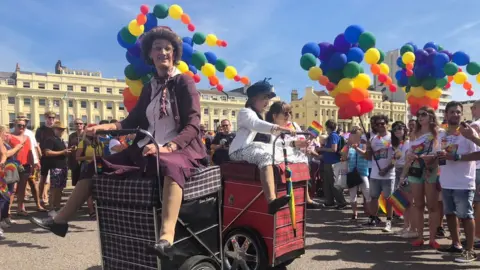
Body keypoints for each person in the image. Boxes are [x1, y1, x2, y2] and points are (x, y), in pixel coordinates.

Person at [31, 26, 207, 259]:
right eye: (157, 48)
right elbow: (132, 121)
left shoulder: (184, 81)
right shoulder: (149, 87)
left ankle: (166, 238)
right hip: (148, 146)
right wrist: (104, 127)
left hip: (180, 147)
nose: (163, 52)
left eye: (168, 48)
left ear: (174, 53)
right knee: (93, 166)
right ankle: (61, 221)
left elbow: (193, 123)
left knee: (169, 165)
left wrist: (169, 147)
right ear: (150, 55)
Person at [229, 79, 298, 215]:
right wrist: (279, 128)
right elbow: (255, 124)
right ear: (254, 98)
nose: (267, 102)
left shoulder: (261, 117)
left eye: (268, 98)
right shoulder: (246, 112)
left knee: (282, 156)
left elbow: (273, 142)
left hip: (252, 149)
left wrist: (294, 144)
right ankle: (272, 201)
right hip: (239, 151)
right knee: (266, 157)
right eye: (264, 98)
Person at [436, 101, 477, 263]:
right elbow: (441, 155)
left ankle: (470, 251)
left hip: (463, 182)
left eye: (458, 112)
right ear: (446, 114)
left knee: (466, 215)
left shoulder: (468, 132)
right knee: (450, 214)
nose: (455, 115)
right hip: (446, 181)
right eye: (452, 112)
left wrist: (457, 157)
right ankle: (456, 244)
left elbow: (478, 155)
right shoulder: (442, 134)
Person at [265, 101, 319, 208]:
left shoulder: (294, 125)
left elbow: (301, 140)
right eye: (285, 113)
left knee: (304, 164)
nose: (288, 116)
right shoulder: (270, 128)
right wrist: (294, 143)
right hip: (281, 158)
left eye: (290, 113)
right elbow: (273, 145)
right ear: (274, 116)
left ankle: (306, 198)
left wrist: (306, 142)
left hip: (298, 158)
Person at [401, 107, 440, 248]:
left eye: (424, 114)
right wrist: (409, 156)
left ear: (431, 116)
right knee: (418, 205)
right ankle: (420, 237)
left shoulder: (438, 133)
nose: (420, 117)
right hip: (416, 170)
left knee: (432, 206)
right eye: (418, 115)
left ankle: (432, 238)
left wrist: (432, 158)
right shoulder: (413, 134)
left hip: (431, 170)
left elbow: (441, 153)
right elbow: (408, 153)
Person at [365, 115, 395, 232]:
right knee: (374, 198)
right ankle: (373, 218)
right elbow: (368, 157)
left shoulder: (392, 138)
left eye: (382, 123)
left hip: (388, 174)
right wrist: (368, 148)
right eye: (377, 124)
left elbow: (396, 157)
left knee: (389, 199)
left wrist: (387, 169)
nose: (380, 126)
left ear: (387, 124)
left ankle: (388, 222)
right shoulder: (373, 139)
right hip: (375, 174)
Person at [11, 118, 44, 214]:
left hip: (26, 164)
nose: (22, 127)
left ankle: (20, 208)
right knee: (12, 189)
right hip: (13, 165)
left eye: (24, 125)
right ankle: (7, 211)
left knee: (22, 188)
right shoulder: (9, 136)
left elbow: (32, 150)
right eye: (19, 125)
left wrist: (35, 162)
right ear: (15, 124)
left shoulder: (28, 136)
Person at [391, 121, 415, 238]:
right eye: (395, 129)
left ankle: (410, 227)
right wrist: (394, 159)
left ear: (405, 129)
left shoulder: (408, 143)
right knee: (402, 201)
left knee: (408, 202)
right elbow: (395, 160)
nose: (397, 131)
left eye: (399, 128)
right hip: (397, 171)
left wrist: (403, 175)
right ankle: (406, 226)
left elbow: (408, 160)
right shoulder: (396, 144)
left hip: (406, 172)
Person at [317, 120, 347, 209]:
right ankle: (330, 201)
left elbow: (334, 149)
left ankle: (341, 202)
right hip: (328, 162)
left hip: (333, 163)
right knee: (328, 183)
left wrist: (322, 149)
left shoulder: (333, 136)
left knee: (334, 183)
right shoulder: (331, 136)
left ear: (328, 127)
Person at [0, 125, 24, 233]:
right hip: (5, 171)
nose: (8, 135)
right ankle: (2, 219)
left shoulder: (5, 143)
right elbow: (6, 154)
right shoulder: (2, 143)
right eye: (6, 133)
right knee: (4, 196)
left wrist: (17, 149)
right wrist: (17, 148)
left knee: (9, 194)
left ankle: (5, 217)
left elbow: (9, 154)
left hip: (10, 169)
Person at [342, 126, 370, 220]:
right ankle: (355, 214)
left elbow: (366, 155)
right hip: (352, 172)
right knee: (352, 195)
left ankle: (370, 213)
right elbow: (343, 157)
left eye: (356, 135)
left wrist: (357, 148)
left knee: (367, 192)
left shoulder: (363, 143)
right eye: (352, 135)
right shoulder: (347, 146)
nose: (354, 137)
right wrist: (347, 146)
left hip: (362, 171)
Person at [43, 121, 71, 211]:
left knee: (60, 188)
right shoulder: (50, 139)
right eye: (59, 129)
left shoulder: (61, 140)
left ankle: (57, 205)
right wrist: (63, 152)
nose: (61, 131)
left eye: (62, 129)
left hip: (63, 166)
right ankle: (51, 206)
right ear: (54, 129)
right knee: (54, 188)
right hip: (55, 166)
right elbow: (47, 152)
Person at [35, 111, 56, 208]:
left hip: (54, 157)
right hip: (44, 157)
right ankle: (39, 199)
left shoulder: (56, 129)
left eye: (53, 118)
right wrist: (38, 157)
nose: (51, 119)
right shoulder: (40, 130)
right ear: (45, 118)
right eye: (49, 117)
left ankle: (47, 196)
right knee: (42, 179)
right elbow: (37, 144)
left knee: (51, 179)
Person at [467, 100, 480, 247]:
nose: (472, 110)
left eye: (474, 107)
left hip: (476, 168)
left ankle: (476, 235)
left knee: (477, 204)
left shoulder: (476, 125)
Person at [67, 118, 84, 187]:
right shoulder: (71, 136)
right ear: (74, 125)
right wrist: (69, 162)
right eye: (76, 124)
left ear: (83, 125)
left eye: (80, 123)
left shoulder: (87, 135)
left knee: (84, 181)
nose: (78, 125)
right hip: (74, 161)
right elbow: (69, 149)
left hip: (84, 161)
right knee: (76, 182)